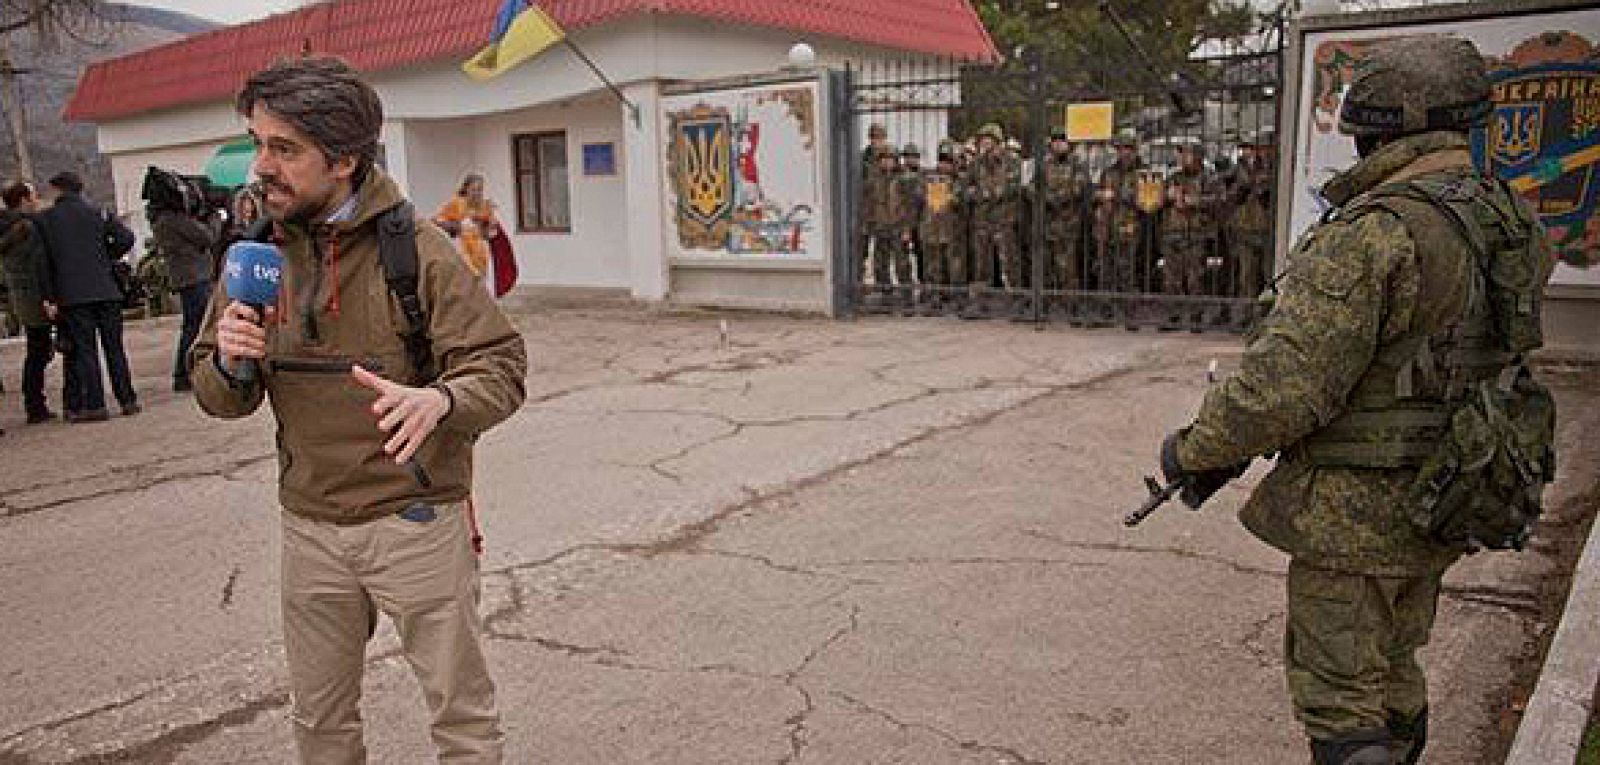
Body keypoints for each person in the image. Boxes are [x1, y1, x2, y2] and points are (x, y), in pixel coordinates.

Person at [1157, 37, 1553, 765]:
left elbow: (1285, 384)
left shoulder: (1377, 230)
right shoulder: (1503, 217)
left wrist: (1194, 449)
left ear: (1381, 126)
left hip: (1356, 512)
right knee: (1396, 673)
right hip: (1449, 486)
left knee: (1342, 697)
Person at [188, 57, 527, 763]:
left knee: (461, 719)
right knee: (319, 722)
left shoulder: (418, 250)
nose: (261, 166)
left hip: (414, 518)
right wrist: (227, 357)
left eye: (284, 149)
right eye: (257, 143)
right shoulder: (254, 251)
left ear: (343, 158)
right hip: (309, 525)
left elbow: (501, 366)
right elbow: (221, 398)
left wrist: (441, 399)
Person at [36, 171, 138, 422]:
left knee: (86, 350)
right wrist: (107, 254)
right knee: (115, 348)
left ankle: (95, 404)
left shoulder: (47, 220)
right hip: (106, 289)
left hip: (73, 294)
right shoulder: (98, 212)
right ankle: (127, 399)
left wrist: (49, 296)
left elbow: (43, 261)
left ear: (57, 189)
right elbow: (127, 238)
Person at [0, 181, 59, 426]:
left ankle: (34, 402)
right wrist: (49, 297)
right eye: (33, 196)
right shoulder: (27, 228)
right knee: (39, 351)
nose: (37, 200)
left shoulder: (6, 226)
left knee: (37, 350)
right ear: (23, 200)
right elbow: (39, 262)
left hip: (18, 295)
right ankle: (35, 404)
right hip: (34, 295)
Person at [149, 184, 216, 392]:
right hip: (193, 277)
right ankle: (185, 373)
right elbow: (207, 237)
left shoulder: (162, 219)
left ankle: (184, 372)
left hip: (186, 278)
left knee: (192, 325)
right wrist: (216, 219)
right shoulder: (174, 219)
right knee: (195, 325)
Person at [1157, 144, 1221, 328]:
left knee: (1195, 277)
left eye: (1187, 154)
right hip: (1172, 231)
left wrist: (1195, 201)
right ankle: (1173, 315)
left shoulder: (1209, 177)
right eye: (1182, 154)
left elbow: (1219, 199)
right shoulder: (1174, 177)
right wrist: (1166, 197)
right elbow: (1155, 200)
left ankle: (1195, 316)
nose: (1183, 158)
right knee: (1171, 277)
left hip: (1196, 232)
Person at [966, 123, 1023, 317]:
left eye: (988, 140)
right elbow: (966, 187)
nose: (984, 144)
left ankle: (1017, 300)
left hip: (1004, 219)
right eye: (982, 140)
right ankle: (981, 302)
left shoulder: (1012, 161)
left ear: (998, 142)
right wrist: (979, 193)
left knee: (1009, 262)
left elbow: (1016, 186)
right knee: (982, 264)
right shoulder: (976, 164)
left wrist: (999, 192)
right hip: (982, 220)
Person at [1041, 129, 1091, 301]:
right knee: (1048, 265)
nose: (1058, 144)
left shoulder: (1077, 164)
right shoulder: (1045, 164)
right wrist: (1044, 196)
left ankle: (1072, 303)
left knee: (1069, 266)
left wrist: (1056, 197)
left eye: (1061, 141)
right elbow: (1032, 186)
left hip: (1069, 223)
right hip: (1048, 224)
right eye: (1054, 141)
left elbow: (1078, 188)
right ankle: (1046, 303)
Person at [917, 141, 965, 315]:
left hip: (952, 228)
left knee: (955, 265)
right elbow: (919, 199)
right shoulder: (928, 178)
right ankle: (934, 295)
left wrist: (953, 195)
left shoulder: (961, 179)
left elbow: (962, 201)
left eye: (948, 161)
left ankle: (956, 296)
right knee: (933, 265)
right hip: (932, 228)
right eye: (942, 161)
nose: (944, 165)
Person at [432, 173, 503, 288]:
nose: (477, 193)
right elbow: (436, 220)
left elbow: (490, 232)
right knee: (466, 286)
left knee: (484, 288)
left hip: (482, 253)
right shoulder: (456, 204)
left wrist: (491, 225)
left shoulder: (485, 206)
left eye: (480, 190)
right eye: (474, 189)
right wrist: (458, 226)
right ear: (466, 188)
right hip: (463, 250)